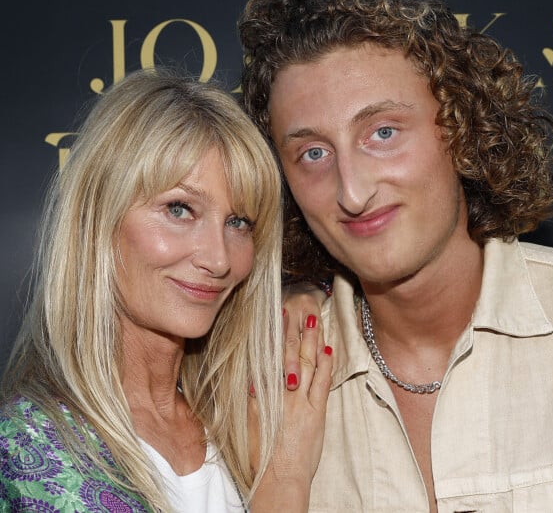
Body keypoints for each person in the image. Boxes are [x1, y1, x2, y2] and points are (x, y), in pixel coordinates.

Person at [238, 0, 553, 511]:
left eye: (383, 133)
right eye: (314, 154)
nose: (351, 191)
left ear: (461, 128)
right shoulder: (260, 388)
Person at [0, 69, 332, 512]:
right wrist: (284, 483)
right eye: (180, 209)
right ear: (97, 219)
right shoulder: (27, 450)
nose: (217, 259)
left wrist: (308, 289)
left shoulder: (241, 420)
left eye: (239, 223)